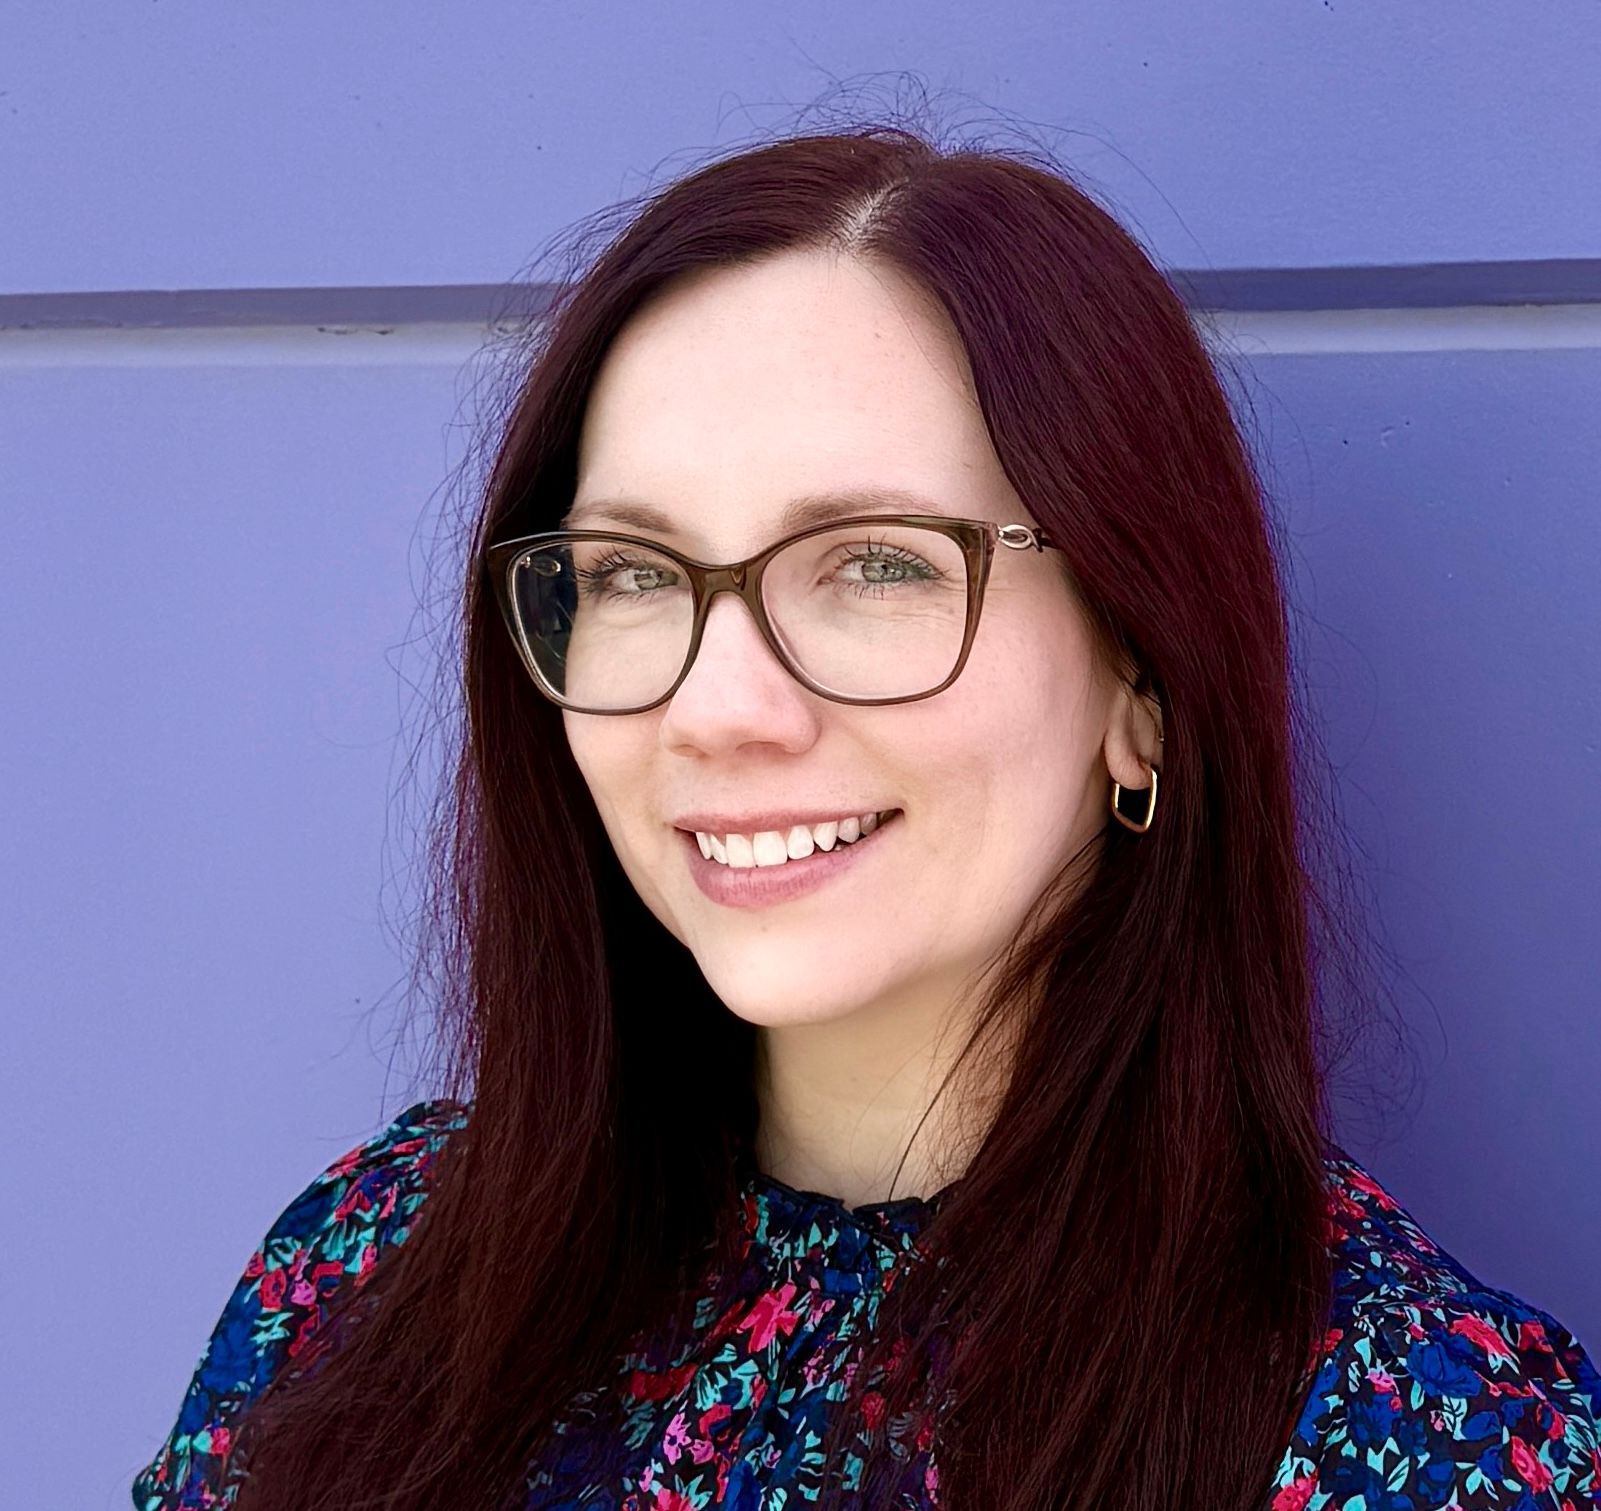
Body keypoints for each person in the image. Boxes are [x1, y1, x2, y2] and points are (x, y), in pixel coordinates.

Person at [133, 125, 1601, 1511]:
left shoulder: (1413, 1436)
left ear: (1144, 684)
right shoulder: (368, 1276)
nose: (718, 707)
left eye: (878, 565)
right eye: (632, 573)